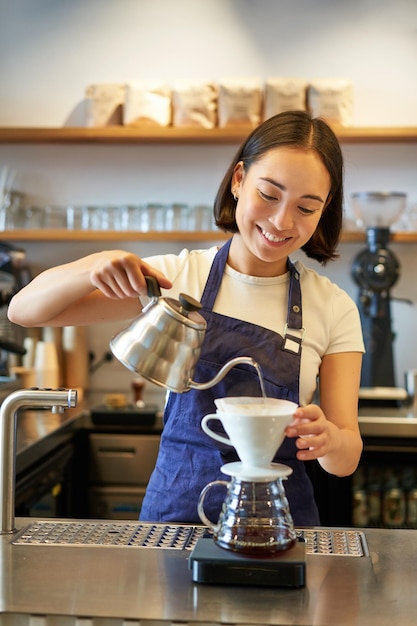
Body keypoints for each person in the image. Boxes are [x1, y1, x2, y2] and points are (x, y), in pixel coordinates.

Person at [8, 110, 364, 526]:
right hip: (173, 524)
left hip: (278, 528)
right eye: (269, 195)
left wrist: (329, 440)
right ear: (238, 181)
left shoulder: (333, 307)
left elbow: (346, 459)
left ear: (325, 210)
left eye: (306, 207)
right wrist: (95, 263)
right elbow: (25, 311)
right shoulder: (176, 279)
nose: (282, 221)